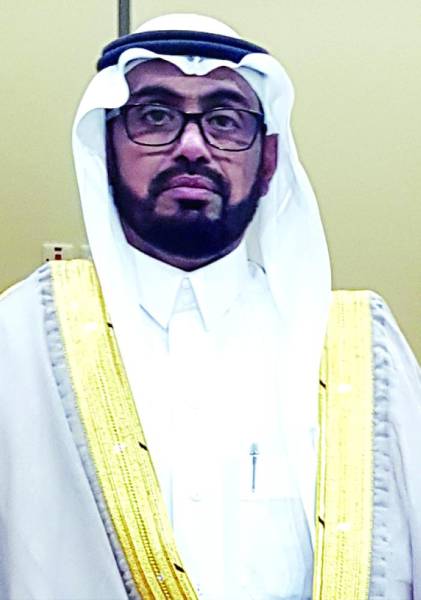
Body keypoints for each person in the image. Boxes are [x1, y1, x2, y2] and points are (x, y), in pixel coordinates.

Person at [0, 13, 420, 600]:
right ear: (106, 147)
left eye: (225, 120)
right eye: (155, 116)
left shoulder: (359, 355)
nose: (192, 147)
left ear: (267, 161)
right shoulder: (16, 345)